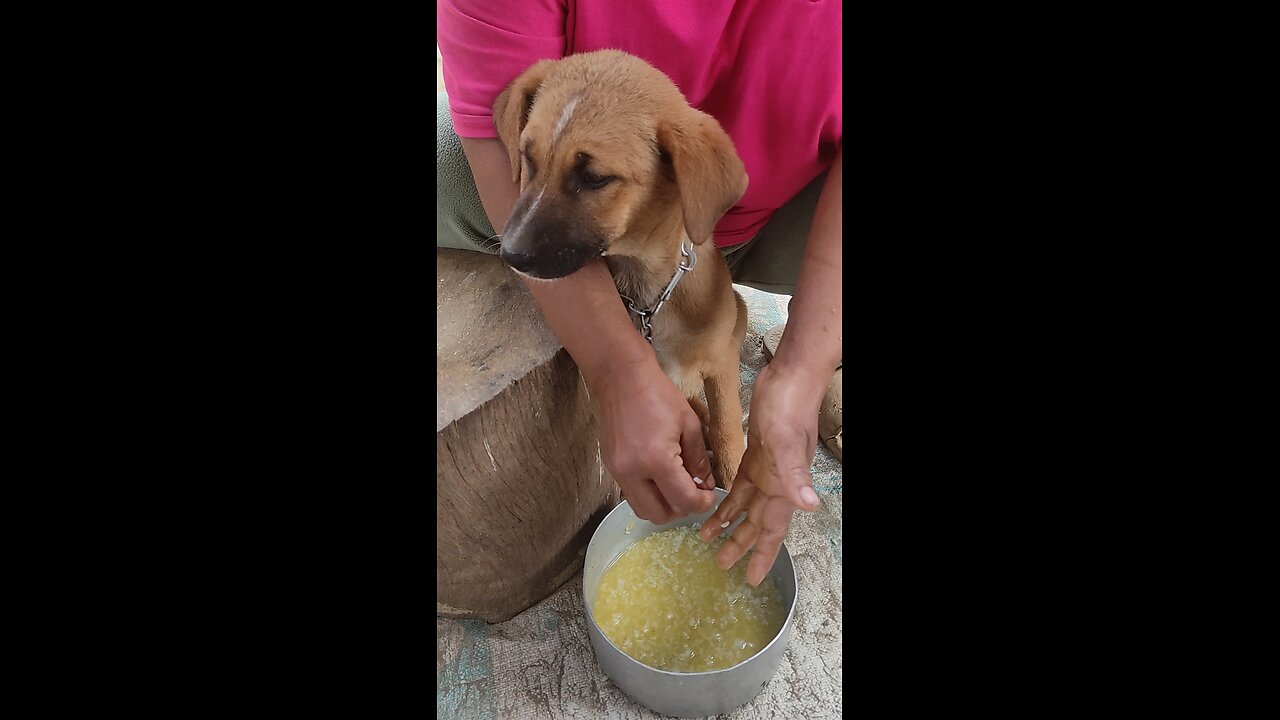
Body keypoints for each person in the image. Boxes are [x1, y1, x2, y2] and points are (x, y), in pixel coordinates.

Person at [437, 1, 841, 587]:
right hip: (637, 183)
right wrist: (615, 369)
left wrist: (805, 363)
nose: (516, 245)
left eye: (591, 178)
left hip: (774, 201)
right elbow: (489, 120)